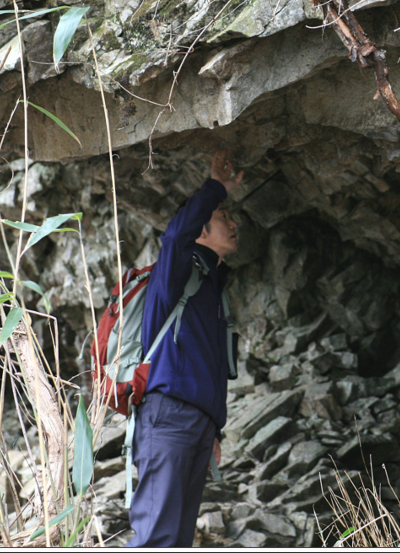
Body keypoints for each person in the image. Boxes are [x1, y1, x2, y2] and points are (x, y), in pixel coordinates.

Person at [127, 151, 243, 547]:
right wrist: (214, 189)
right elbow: (175, 235)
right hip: (168, 417)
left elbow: (208, 366)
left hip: (197, 425)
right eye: (222, 218)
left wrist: (214, 429)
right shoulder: (176, 273)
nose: (232, 223)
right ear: (200, 232)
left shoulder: (213, 289)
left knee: (177, 539)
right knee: (157, 534)